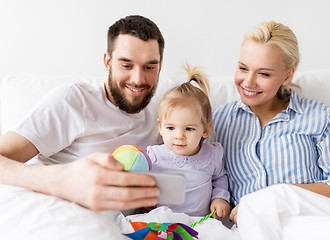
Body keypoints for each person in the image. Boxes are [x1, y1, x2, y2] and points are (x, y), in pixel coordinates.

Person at [0, 15, 165, 212]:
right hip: (60, 216)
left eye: (149, 67)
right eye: (126, 65)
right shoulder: (74, 100)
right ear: (108, 62)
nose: (138, 79)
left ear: (160, 67)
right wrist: (64, 179)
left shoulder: (162, 119)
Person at [210, 21, 330, 223]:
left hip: (312, 225)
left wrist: (279, 194)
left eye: (264, 73)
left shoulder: (316, 116)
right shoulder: (217, 121)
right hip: (250, 231)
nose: (249, 82)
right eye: (243, 68)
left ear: (287, 75)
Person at [147, 65, 230, 218]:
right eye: (171, 128)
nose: (179, 136)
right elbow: (141, 182)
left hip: (200, 222)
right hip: (163, 220)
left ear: (205, 129)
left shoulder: (212, 155)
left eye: (189, 129)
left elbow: (220, 178)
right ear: (160, 126)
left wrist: (219, 198)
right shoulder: (154, 156)